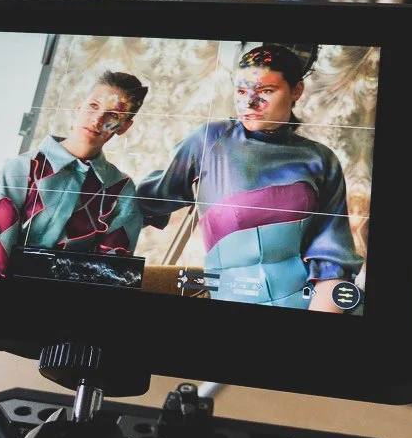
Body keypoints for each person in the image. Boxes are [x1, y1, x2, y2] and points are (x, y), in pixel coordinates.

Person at [137, 45, 363, 311]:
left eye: (265, 91)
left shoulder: (321, 159)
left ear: (296, 91)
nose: (249, 104)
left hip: (310, 303)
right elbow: (141, 202)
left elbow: (332, 259)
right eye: (242, 91)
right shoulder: (210, 140)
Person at [0, 71, 148, 275]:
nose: (97, 119)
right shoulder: (23, 169)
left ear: (124, 127)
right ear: (79, 106)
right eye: (93, 106)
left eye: (113, 115)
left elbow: (111, 271)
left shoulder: (121, 190)